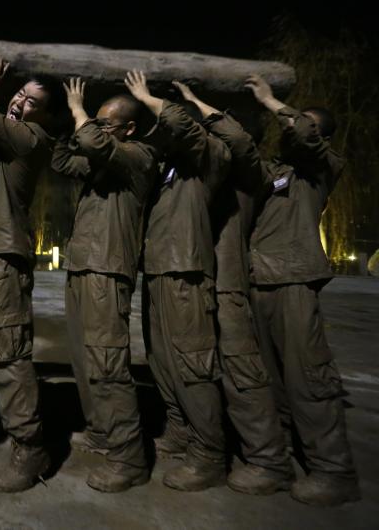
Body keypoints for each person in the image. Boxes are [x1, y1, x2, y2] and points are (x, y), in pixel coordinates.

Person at [172, 80, 294, 496]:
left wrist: (193, 102)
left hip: (229, 284)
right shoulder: (215, 168)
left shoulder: (248, 167)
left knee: (243, 371)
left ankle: (269, 461)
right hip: (207, 280)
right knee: (203, 368)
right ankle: (212, 448)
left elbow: (235, 138)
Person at [245, 74, 359, 506]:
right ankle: (280, 463)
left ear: (320, 135)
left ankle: (334, 470)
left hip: (294, 281)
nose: (291, 129)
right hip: (260, 280)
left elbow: (306, 133)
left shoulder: (323, 167)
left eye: (304, 125)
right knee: (272, 382)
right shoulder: (277, 170)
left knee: (309, 377)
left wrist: (271, 100)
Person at [51, 78, 158, 492]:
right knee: (83, 359)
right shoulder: (102, 162)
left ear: (128, 129)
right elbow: (63, 162)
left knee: (109, 364)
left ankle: (129, 457)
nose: (95, 130)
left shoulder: (140, 157)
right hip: (82, 267)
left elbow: (96, 145)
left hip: (108, 270)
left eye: (105, 124)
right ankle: (102, 430)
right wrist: (67, 127)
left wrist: (80, 111)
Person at [127, 70, 230, 491]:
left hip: (187, 275)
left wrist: (147, 97)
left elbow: (184, 127)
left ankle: (210, 453)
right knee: (162, 361)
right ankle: (180, 431)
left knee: (193, 364)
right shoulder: (168, 172)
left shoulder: (211, 160)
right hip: (159, 273)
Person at [0, 57, 57, 492]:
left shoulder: (33, 139)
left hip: (4, 254)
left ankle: (31, 445)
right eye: (20, 94)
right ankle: (3, 428)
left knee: (8, 351)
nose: (21, 103)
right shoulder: (1, 142)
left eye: (32, 102)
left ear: (45, 115)